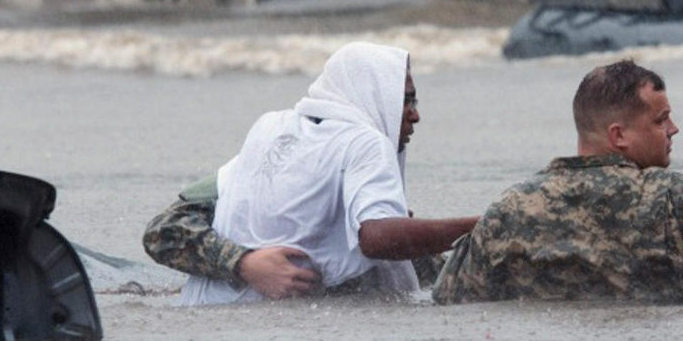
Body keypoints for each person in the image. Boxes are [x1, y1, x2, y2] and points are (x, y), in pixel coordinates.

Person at [431, 60, 683, 304]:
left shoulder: (508, 210)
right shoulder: (677, 202)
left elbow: (450, 301)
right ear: (618, 136)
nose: (674, 130)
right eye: (661, 120)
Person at [144, 42, 477, 304]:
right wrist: (245, 264)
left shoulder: (279, 129)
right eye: (406, 102)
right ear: (376, 97)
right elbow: (164, 230)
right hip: (246, 322)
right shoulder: (341, 143)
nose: (415, 116)